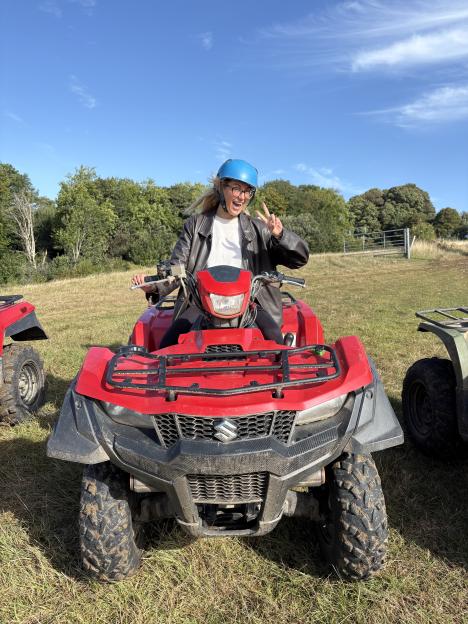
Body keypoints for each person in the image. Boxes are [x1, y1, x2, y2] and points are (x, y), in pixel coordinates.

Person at [131, 159, 309, 347]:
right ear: (221, 187)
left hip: (249, 304)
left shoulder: (260, 229)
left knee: (276, 341)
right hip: (202, 303)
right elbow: (178, 268)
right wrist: (153, 286)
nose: (242, 197)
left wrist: (280, 235)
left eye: (248, 191)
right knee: (167, 345)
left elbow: (299, 258)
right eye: (236, 188)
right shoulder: (195, 225)